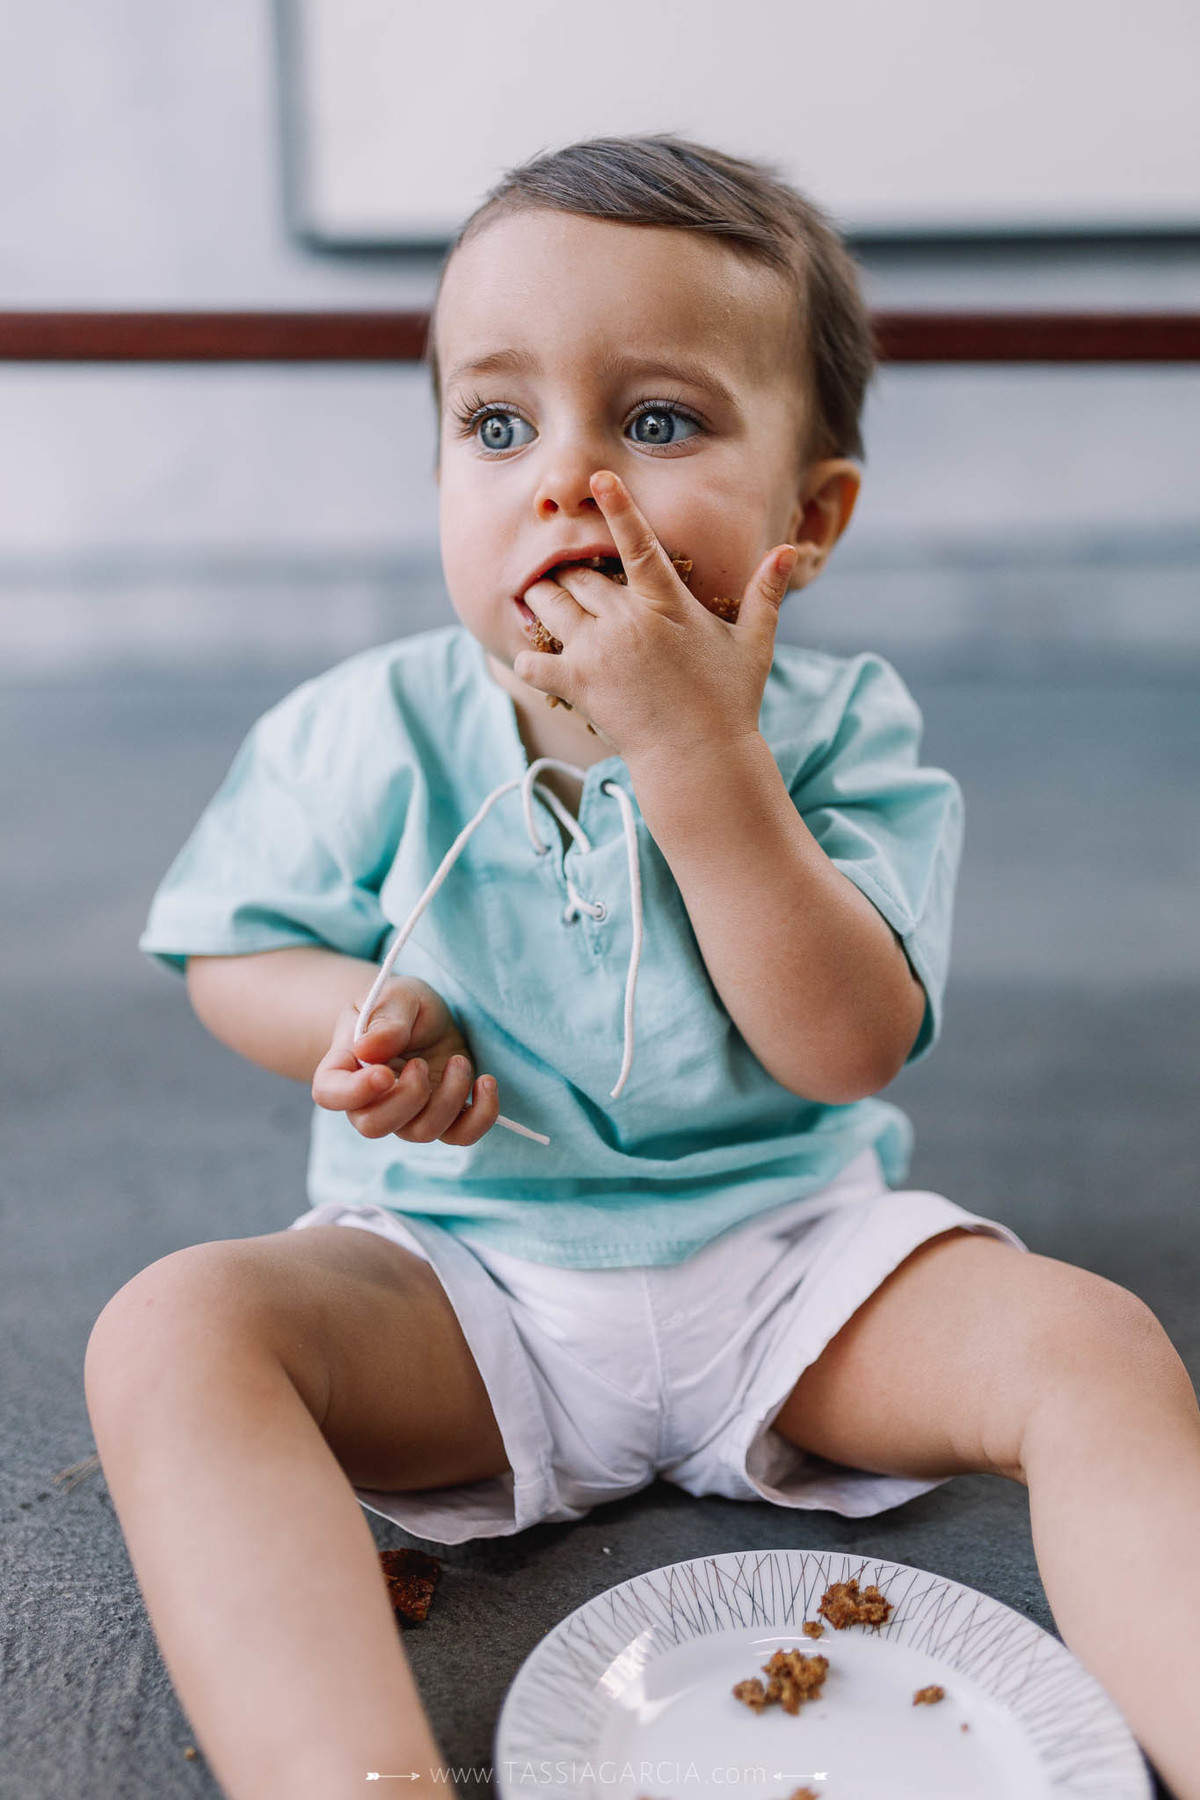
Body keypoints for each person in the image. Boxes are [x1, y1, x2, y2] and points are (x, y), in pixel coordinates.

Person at [84, 135, 1200, 1800]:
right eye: (498, 423)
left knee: (1098, 1347)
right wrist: (362, 1015)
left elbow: (844, 1048)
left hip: (800, 1273)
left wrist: (699, 757)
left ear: (805, 520)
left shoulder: (844, 734)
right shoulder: (364, 727)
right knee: (173, 1333)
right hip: (461, 1283)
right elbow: (235, 946)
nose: (564, 481)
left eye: (658, 422)